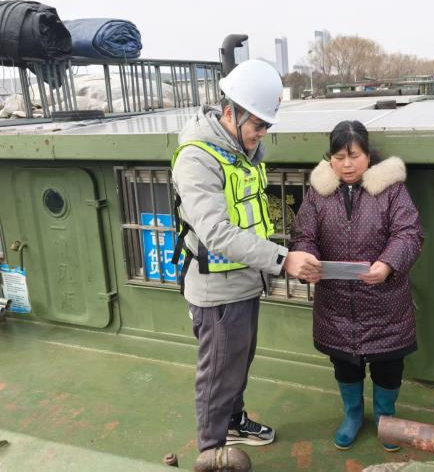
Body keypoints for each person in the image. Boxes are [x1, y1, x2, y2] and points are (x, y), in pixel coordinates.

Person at [171, 59, 321, 464]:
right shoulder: (197, 159)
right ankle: (212, 453)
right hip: (216, 291)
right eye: (257, 124)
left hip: (243, 282)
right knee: (218, 374)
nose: (262, 133)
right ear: (229, 113)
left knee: (237, 363)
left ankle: (234, 422)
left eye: (267, 125)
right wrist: (283, 260)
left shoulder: (240, 151)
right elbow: (217, 233)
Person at [290, 120, 423, 451]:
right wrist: (306, 260)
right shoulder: (318, 193)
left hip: (386, 304)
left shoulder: (392, 190)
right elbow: (304, 235)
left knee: (388, 367)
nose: (346, 165)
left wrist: (388, 264)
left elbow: (409, 233)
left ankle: (385, 417)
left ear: (368, 155)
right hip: (336, 305)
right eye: (338, 157)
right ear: (330, 158)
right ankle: (352, 415)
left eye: (354, 156)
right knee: (345, 367)